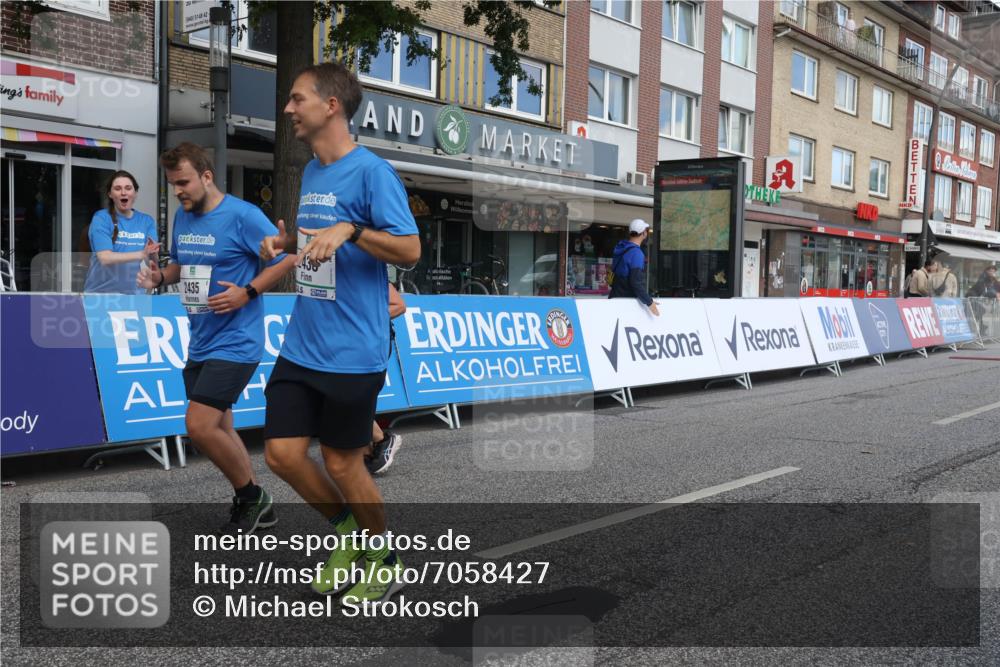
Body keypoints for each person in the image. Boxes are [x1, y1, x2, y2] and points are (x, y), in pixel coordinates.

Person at [259, 61, 420, 605]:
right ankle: (350, 534)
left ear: (331, 105)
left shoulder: (373, 172)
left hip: (354, 349)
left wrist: (351, 229)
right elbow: (318, 247)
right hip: (304, 342)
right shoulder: (311, 172)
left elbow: (410, 249)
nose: (288, 109)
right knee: (281, 455)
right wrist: (286, 247)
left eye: (296, 98)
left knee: (341, 462)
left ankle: (385, 557)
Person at [137, 142, 295, 534]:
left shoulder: (242, 215)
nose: (178, 191)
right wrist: (159, 277)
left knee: (201, 425)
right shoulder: (183, 216)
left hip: (238, 341)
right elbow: (179, 265)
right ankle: (255, 501)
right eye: (173, 185)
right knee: (219, 427)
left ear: (206, 176)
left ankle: (252, 496)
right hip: (201, 338)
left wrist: (248, 291)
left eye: (184, 182)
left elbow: (286, 259)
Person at [84, 171, 159, 293]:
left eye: (128, 188)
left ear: (135, 193)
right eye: (118, 189)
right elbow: (105, 257)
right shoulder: (102, 218)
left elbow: (152, 260)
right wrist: (141, 254)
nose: (123, 192)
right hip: (101, 295)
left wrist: (153, 254)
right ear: (110, 194)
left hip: (134, 296)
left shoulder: (147, 221)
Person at [366, 282, 405, 476]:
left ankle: (381, 440)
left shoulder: (370, 270)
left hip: (372, 342)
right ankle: (370, 448)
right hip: (339, 341)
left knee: (350, 397)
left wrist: (361, 320)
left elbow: (399, 305)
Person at [608, 218, 659, 316]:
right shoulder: (636, 253)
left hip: (614, 297)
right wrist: (650, 302)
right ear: (643, 233)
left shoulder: (621, 247)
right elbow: (636, 283)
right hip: (626, 303)